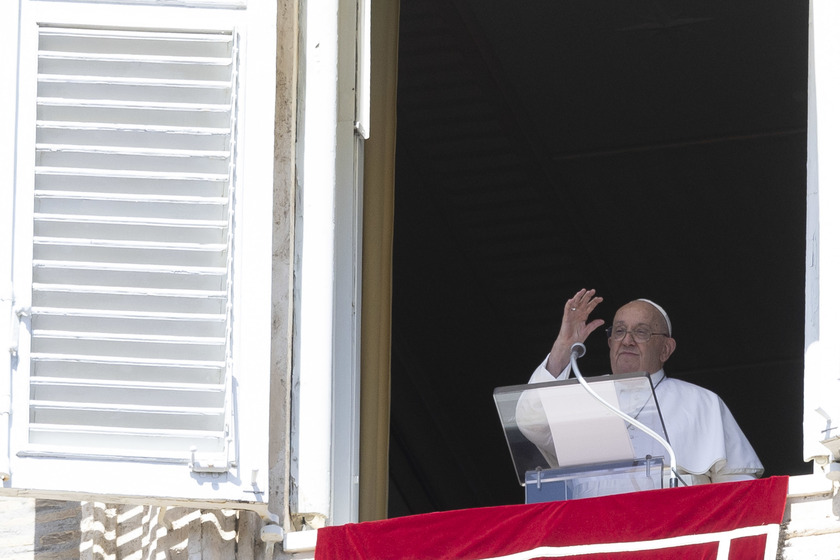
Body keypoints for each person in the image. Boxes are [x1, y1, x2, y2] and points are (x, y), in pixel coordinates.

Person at [516, 288, 763, 495]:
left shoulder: (702, 403)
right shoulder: (584, 398)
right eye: (619, 331)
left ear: (666, 349)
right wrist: (563, 346)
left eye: (641, 332)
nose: (627, 340)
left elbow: (738, 489)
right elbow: (532, 424)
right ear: (610, 342)